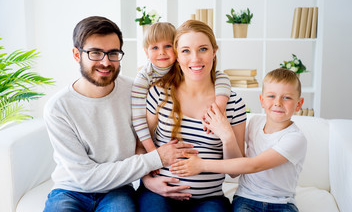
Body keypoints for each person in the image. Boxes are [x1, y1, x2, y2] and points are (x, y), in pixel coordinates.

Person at [43, 16, 196, 212]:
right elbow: (85, 177)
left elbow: (144, 141)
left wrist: (148, 179)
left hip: (118, 189)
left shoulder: (136, 91)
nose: (106, 62)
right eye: (95, 53)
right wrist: (157, 158)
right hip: (70, 189)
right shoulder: (58, 108)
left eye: (113, 53)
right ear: (76, 54)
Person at [137, 20, 247, 212]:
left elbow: (235, 172)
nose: (195, 59)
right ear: (177, 56)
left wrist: (227, 136)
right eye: (186, 50)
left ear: (214, 51)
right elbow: (140, 145)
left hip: (208, 200)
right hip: (158, 193)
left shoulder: (233, 104)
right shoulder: (159, 93)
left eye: (203, 49)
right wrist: (147, 181)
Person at [171, 68, 307, 212]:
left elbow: (254, 165)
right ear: (261, 100)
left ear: (299, 103)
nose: (278, 103)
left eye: (287, 97)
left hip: (282, 203)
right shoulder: (255, 123)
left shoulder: (295, 138)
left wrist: (201, 165)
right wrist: (226, 134)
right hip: (247, 199)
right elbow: (237, 157)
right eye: (271, 96)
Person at [131, 22, 232, 154]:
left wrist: (218, 107)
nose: (162, 52)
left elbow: (221, 77)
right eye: (154, 48)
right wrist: (153, 154)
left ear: (175, 51)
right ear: (146, 52)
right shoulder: (145, 79)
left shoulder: (184, 66)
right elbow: (138, 120)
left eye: (167, 46)